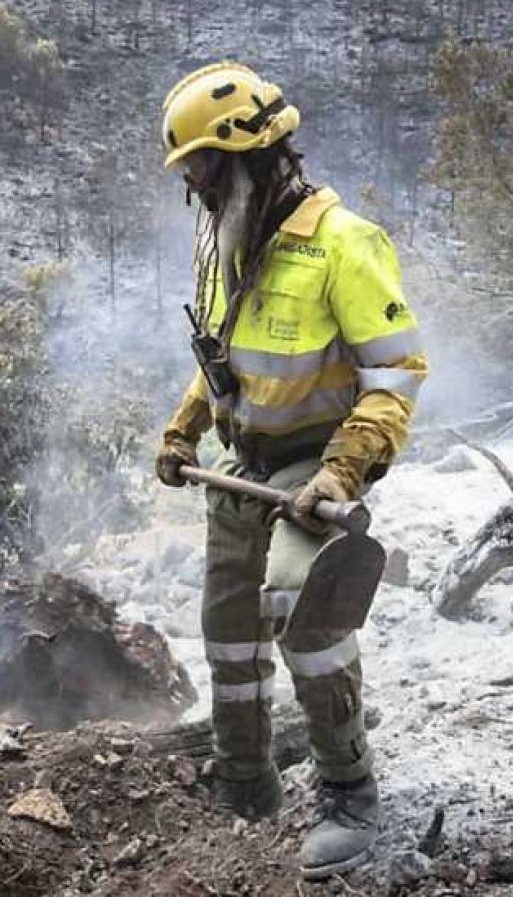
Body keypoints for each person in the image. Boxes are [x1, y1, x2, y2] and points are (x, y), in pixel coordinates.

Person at [153, 62, 429, 879]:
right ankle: (248, 785)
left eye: (203, 164)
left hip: (316, 466)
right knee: (226, 636)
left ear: (251, 154)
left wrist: (343, 473)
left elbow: (398, 376)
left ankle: (350, 794)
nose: (194, 184)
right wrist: (182, 431)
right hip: (246, 467)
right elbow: (222, 360)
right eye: (188, 169)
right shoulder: (230, 239)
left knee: (300, 612)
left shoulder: (344, 244)